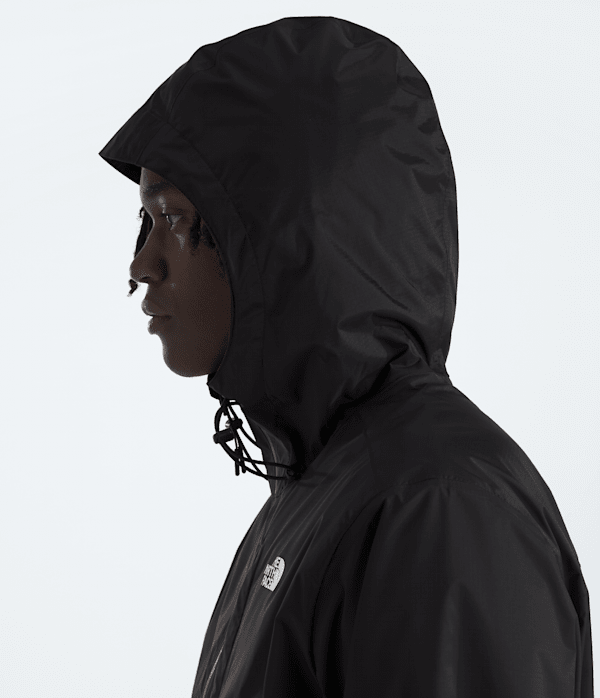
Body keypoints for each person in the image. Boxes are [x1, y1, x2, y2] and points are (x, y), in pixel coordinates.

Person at [99, 16, 594, 698]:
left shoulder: (437, 510)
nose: (142, 264)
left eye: (173, 219)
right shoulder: (320, 496)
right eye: (145, 221)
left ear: (292, 232)